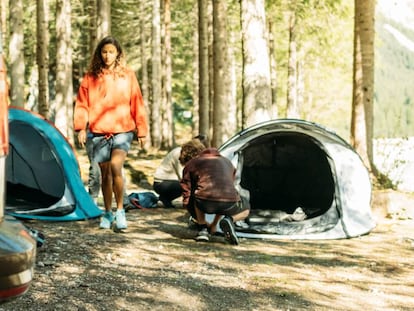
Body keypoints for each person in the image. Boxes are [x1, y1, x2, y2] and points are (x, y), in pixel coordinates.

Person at [74, 36, 148, 230]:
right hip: (99, 131)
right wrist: (81, 127)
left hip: (123, 130)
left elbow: (137, 101)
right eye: (104, 52)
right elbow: (82, 104)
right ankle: (107, 213)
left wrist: (141, 130)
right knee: (104, 174)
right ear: (100, 53)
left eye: (111, 52)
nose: (107, 56)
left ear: (118, 54)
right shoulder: (91, 76)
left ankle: (120, 211)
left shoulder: (127, 75)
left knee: (116, 166)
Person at [180, 147, 250, 245]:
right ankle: (229, 220)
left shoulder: (193, 162)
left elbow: (186, 188)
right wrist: (214, 224)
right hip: (228, 203)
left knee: (198, 193)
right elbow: (226, 186)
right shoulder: (227, 162)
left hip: (204, 202)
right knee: (244, 208)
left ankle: (202, 229)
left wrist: (189, 208)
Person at [153, 134, 208, 208]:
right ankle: (165, 199)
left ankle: (165, 199)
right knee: (186, 185)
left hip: (171, 182)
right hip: (162, 183)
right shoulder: (179, 153)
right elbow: (183, 176)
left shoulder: (190, 154)